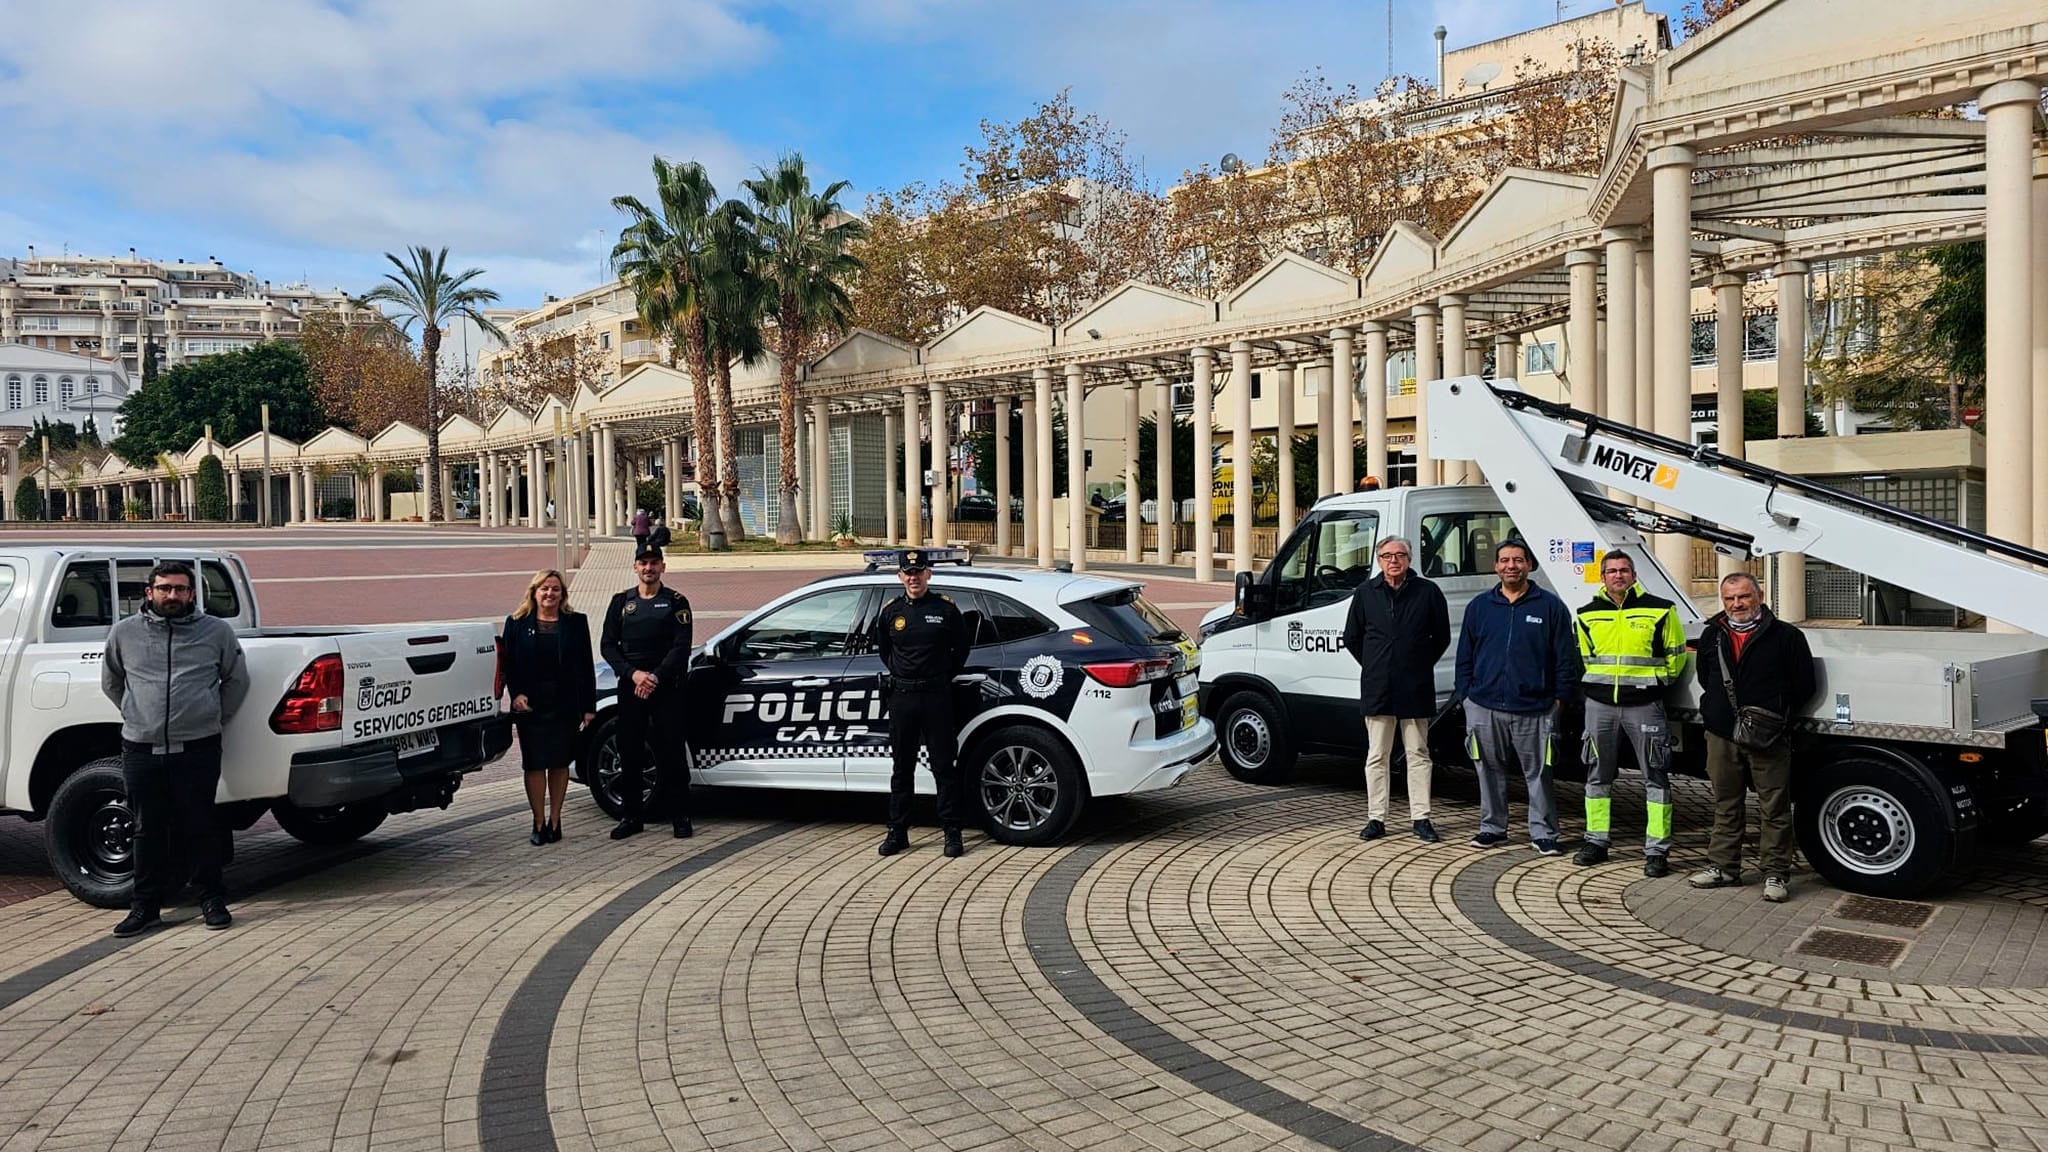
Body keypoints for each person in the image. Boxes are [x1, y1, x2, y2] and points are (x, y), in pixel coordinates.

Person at [100, 561, 251, 936]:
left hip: (197, 748)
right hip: (141, 749)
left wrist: (210, 717)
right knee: (146, 830)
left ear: (192, 594)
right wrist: (139, 716)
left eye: (181, 589)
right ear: (149, 592)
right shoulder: (124, 634)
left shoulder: (215, 632)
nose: (173, 595)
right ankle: (145, 906)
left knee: (200, 825)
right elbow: (112, 682)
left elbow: (236, 680)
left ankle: (212, 899)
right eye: (165, 588)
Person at [1690, 572, 1816, 902]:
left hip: (1768, 735)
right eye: (1730, 598)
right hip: (1721, 732)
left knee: (1774, 805)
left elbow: (1803, 685)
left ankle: (1775, 873)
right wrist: (1718, 712)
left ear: (1758, 596)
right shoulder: (1713, 635)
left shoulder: (1786, 636)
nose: (1737, 604)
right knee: (1725, 803)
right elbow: (1706, 678)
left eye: (1743, 597)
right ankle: (1723, 867)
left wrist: (1779, 719)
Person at [1454, 539, 1582, 855]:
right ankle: (1492, 828)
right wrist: (1465, 695)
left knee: (1538, 774)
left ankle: (1543, 833)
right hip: (1484, 705)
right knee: (1488, 770)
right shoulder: (1480, 606)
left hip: (1536, 708)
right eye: (1505, 560)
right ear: (1496, 566)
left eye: (1518, 560)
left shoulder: (1550, 607)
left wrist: (1559, 700)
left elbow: (1566, 658)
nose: (1512, 565)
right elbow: (1465, 654)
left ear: (1529, 565)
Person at [1573, 550, 1688, 876]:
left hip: (1644, 706)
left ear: (1634, 575)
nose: (1618, 575)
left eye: (1624, 570)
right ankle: (1596, 841)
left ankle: (1657, 850)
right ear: (1602, 577)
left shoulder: (1661, 609)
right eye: (1611, 571)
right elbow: (1582, 657)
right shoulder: (1586, 614)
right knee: (1597, 776)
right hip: (1600, 708)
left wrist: (1654, 685)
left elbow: (1676, 656)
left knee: (1656, 775)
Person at [1341, 535, 1451, 843]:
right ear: (1379, 561)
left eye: (1400, 555)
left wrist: (1416, 663)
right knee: (1377, 755)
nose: (1394, 561)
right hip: (1378, 687)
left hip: (1415, 687)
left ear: (1410, 559)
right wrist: (1376, 663)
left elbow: (1440, 637)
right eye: (1387, 556)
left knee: (1418, 753)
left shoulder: (1428, 592)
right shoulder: (1365, 593)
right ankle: (1376, 818)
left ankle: (1421, 818)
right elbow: (1352, 637)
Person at [870, 549, 972, 858]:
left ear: (929, 574)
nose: (913, 578)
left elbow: (961, 650)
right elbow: (885, 651)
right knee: (902, 768)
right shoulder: (891, 612)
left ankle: (952, 833)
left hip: (936, 697)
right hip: (903, 698)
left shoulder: (945, 610)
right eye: (908, 573)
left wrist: (938, 676)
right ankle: (897, 832)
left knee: (943, 766)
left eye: (919, 572)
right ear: (900, 576)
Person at [600, 546, 695, 840]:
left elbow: (681, 647)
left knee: (672, 752)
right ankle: (632, 816)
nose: (649, 568)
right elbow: (607, 646)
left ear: (663, 567)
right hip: (632, 687)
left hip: (666, 687)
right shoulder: (621, 603)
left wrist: (654, 676)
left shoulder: (676, 602)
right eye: (643, 563)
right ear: (635, 567)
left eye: (654, 563)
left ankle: (680, 816)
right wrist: (635, 674)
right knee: (629, 752)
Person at [502, 570, 597, 846]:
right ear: (534, 592)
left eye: (555, 589)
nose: (549, 594)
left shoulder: (576, 623)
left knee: (558, 762)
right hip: (531, 706)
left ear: (562, 594)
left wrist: (588, 707)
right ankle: (538, 821)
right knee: (534, 764)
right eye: (544, 589)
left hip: (564, 704)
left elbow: (585, 666)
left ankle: (555, 821)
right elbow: (509, 665)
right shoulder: (517, 623)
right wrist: (516, 694)